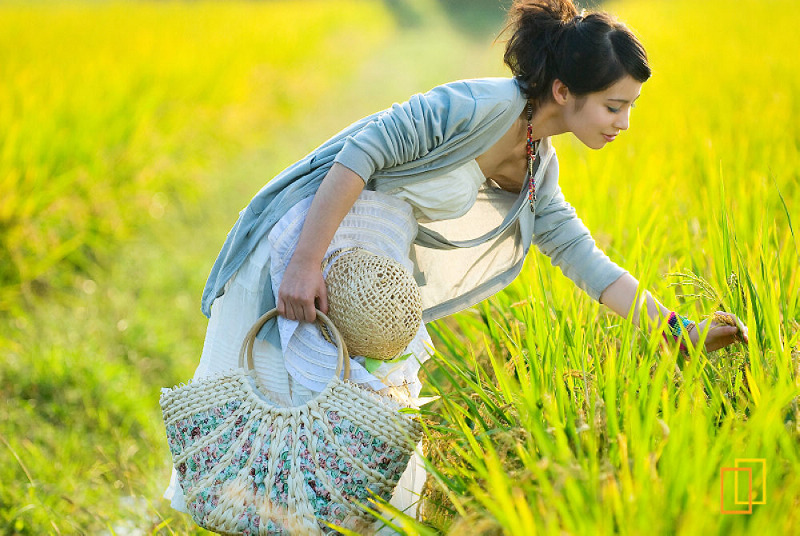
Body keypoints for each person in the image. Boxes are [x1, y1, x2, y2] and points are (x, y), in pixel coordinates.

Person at [164, 0, 748, 529]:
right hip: (304, 248)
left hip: (367, 293)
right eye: (615, 106)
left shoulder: (537, 165)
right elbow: (360, 152)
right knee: (268, 430)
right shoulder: (476, 106)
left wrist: (681, 331)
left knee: (339, 452)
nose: (624, 123)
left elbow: (584, 259)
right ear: (566, 91)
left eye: (630, 108)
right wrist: (303, 264)